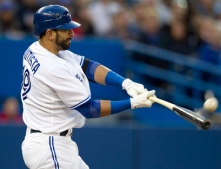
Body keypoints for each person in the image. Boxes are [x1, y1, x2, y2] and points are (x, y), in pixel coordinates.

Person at [20, 5, 156, 169]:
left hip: (50, 142)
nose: (72, 33)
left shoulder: (39, 49)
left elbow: (87, 67)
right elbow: (89, 108)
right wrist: (132, 103)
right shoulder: (51, 68)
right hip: (50, 145)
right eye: (65, 29)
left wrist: (125, 83)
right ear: (49, 33)